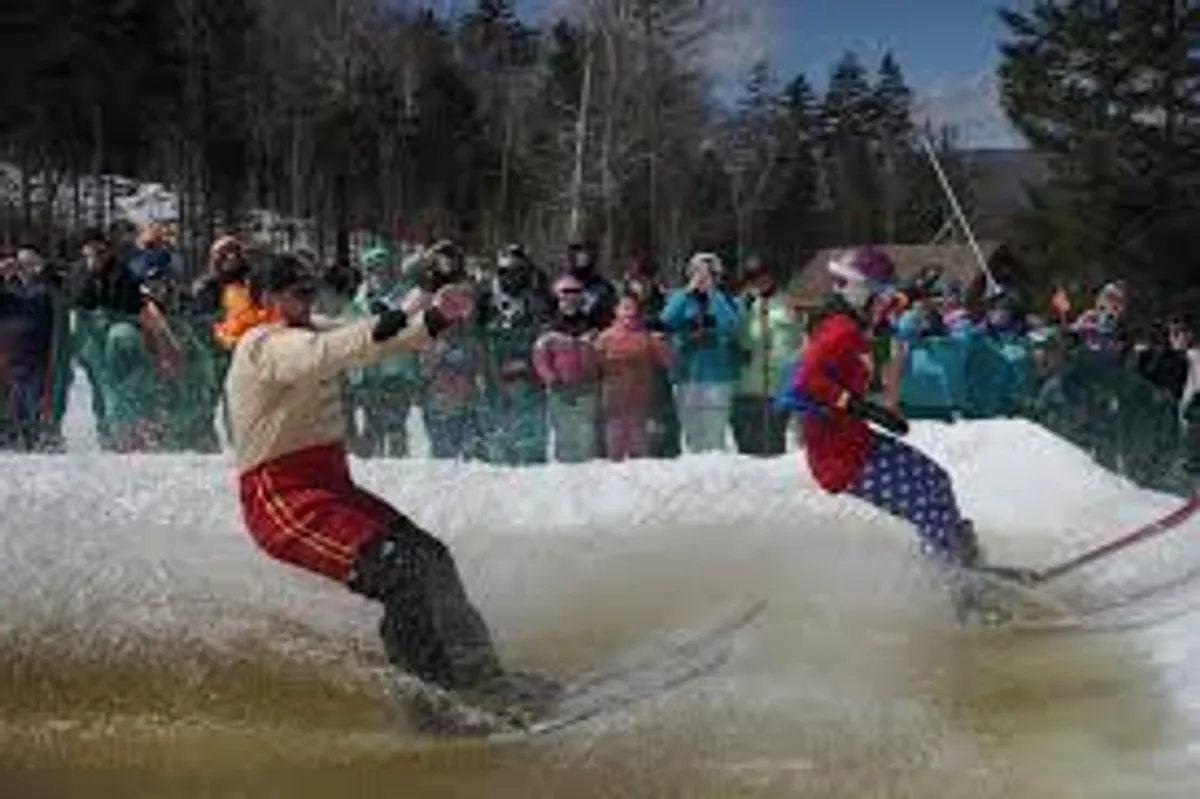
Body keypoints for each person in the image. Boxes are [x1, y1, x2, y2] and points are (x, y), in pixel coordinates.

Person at [223, 253, 556, 722]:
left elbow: (365, 336)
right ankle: (431, 709)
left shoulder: (309, 328)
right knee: (403, 579)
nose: (309, 299)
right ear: (268, 299)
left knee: (433, 560)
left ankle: (487, 680)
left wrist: (434, 316)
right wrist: (415, 301)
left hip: (329, 486)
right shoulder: (261, 343)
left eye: (310, 290)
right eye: (298, 292)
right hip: (281, 499)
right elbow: (327, 352)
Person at [779, 247, 1025, 623]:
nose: (884, 302)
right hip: (840, 459)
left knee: (936, 481)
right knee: (926, 505)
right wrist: (862, 407)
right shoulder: (840, 329)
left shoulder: (848, 315)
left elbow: (881, 311)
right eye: (879, 293)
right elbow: (805, 381)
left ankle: (966, 566)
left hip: (855, 442)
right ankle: (956, 592)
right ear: (863, 292)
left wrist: (908, 293)